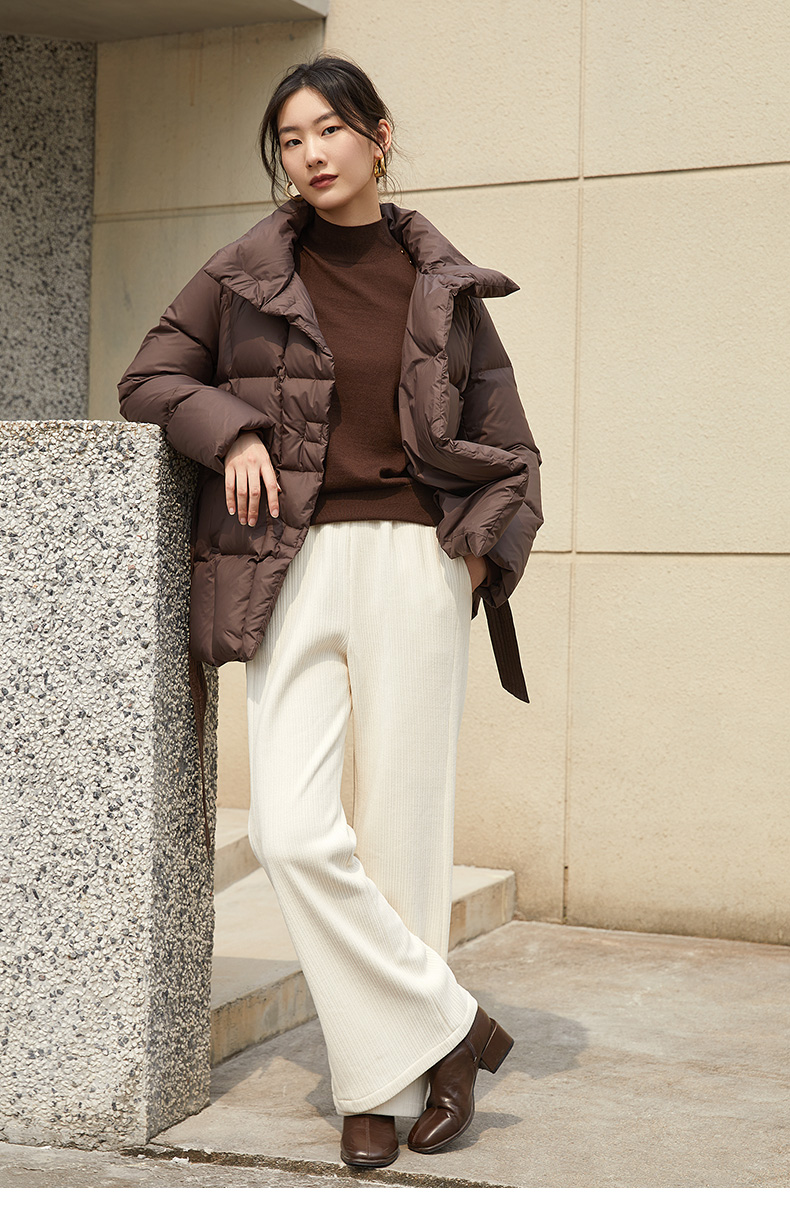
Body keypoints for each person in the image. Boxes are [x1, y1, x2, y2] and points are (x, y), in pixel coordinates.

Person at [118, 53, 542, 1170]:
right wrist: (233, 430)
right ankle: (452, 1026)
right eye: (290, 139)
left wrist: (474, 560)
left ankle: (379, 1084)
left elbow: (509, 446)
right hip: (290, 560)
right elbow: (149, 378)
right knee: (292, 831)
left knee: (404, 826)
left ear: (377, 136)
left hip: (415, 562)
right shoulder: (244, 273)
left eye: (328, 130)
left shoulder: (441, 281)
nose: (309, 154)